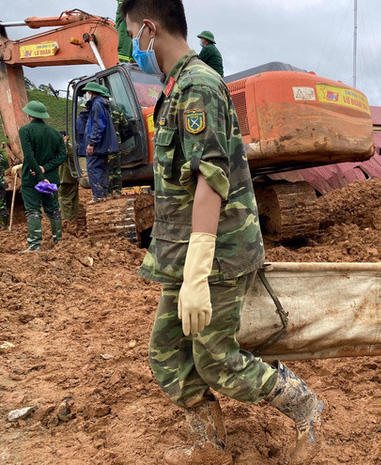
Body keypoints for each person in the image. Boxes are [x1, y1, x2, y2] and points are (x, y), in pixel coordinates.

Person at [121, 1, 324, 464]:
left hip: (218, 252)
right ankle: (208, 443)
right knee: (167, 354)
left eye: (133, 34)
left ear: (149, 29)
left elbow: (209, 180)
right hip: (185, 251)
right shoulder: (174, 89)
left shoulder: (198, 87)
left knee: (217, 362)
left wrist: (197, 274)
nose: (134, 48)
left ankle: (307, 406)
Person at [15, 101, 66, 251]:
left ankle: (34, 245)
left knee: (33, 210)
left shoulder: (25, 131)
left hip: (31, 180)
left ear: (29, 114)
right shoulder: (55, 133)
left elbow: (29, 157)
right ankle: (59, 242)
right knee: (53, 210)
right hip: (51, 179)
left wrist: (38, 174)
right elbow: (62, 155)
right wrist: (45, 169)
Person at [83, 82, 119, 203]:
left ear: (91, 92)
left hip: (98, 145)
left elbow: (98, 125)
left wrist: (92, 143)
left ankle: (98, 195)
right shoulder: (103, 104)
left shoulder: (97, 104)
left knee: (93, 168)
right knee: (103, 168)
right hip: (104, 144)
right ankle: (103, 194)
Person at [100, 86, 128, 198]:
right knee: (116, 168)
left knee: (107, 168)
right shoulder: (117, 108)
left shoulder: (101, 109)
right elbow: (125, 124)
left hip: (106, 143)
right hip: (117, 142)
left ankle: (108, 192)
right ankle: (117, 192)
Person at [57, 131, 80, 220]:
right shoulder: (71, 147)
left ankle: (67, 219)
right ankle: (74, 218)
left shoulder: (66, 147)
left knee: (64, 199)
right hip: (72, 177)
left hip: (66, 178)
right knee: (73, 198)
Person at [0, 146, 8, 229]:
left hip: (1, 184)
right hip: (2, 183)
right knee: (2, 204)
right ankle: (4, 225)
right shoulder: (1, 157)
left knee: (2, 204)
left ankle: (4, 225)